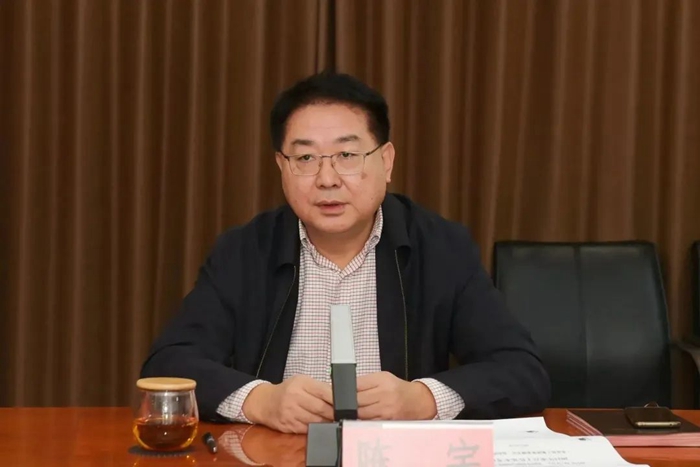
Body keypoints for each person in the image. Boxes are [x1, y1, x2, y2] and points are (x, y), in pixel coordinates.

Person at [140, 71, 550, 434]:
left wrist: (422, 399)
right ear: (282, 167)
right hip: (278, 455)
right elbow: (169, 364)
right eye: (305, 158)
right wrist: (260, 401)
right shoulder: (245, 250)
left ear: (386, 161)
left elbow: (521, 371)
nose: (327, 179)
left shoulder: (441, 248)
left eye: (347, 156)